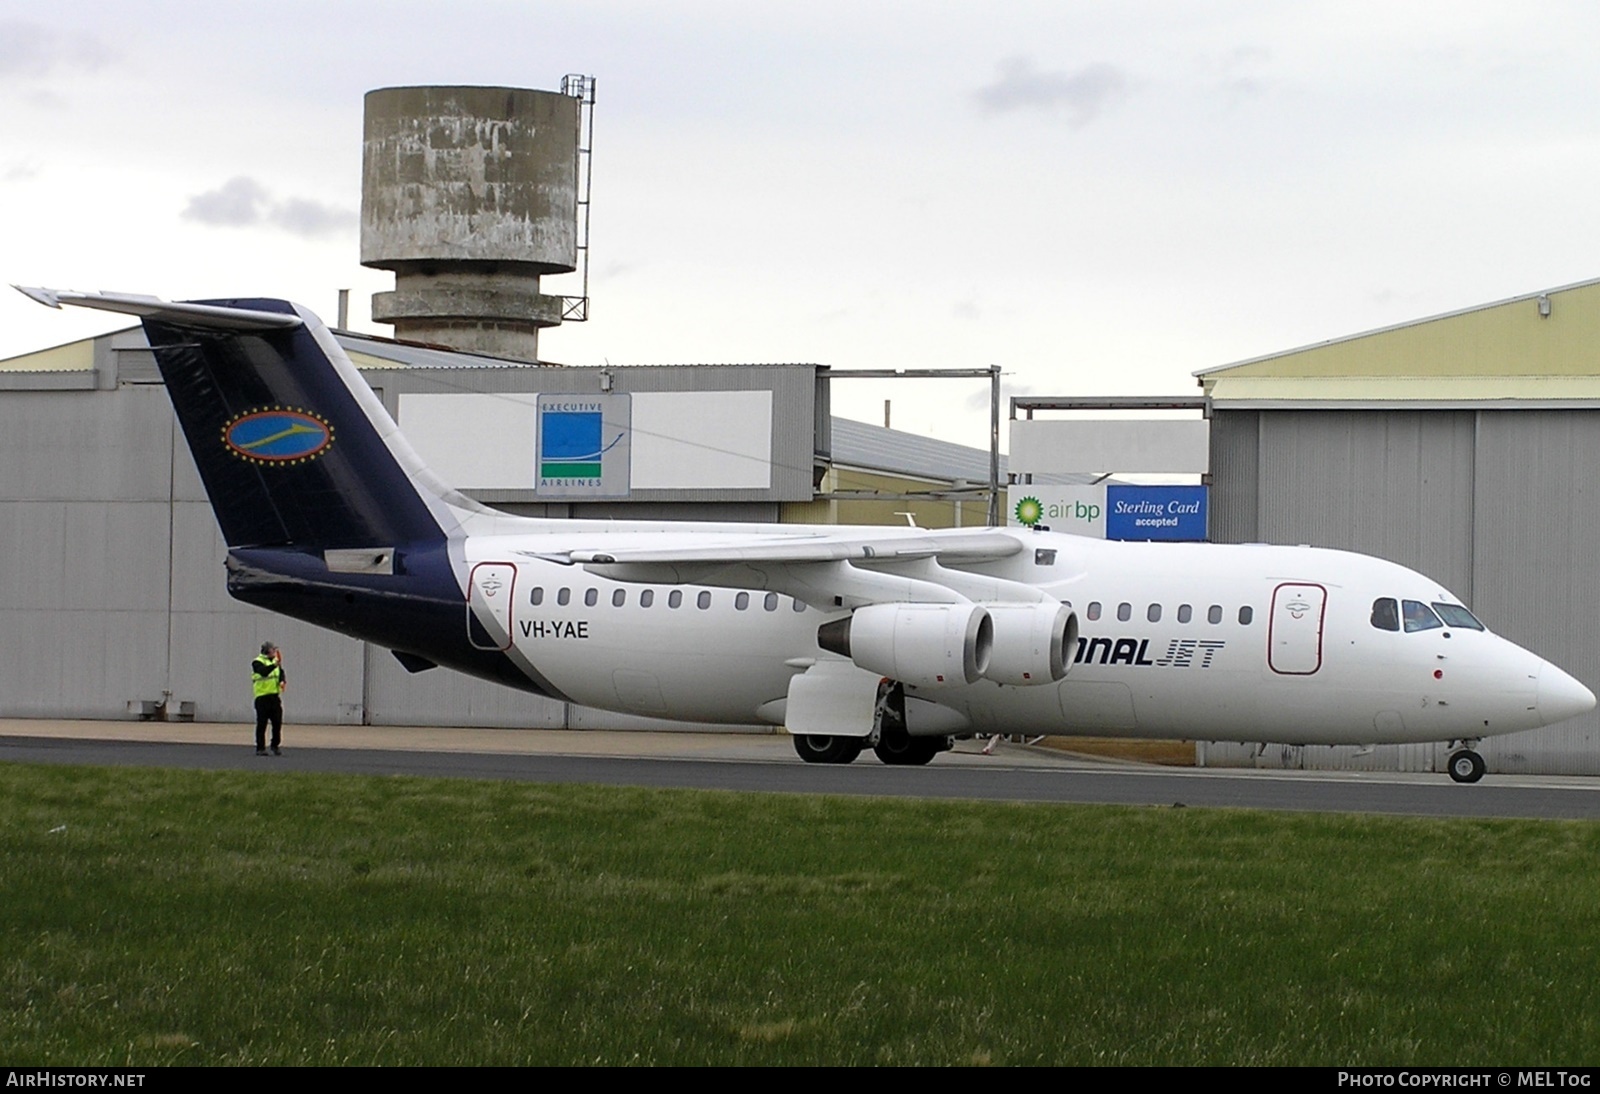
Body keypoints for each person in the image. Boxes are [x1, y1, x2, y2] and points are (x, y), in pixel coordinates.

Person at [251, 642, 286, 756]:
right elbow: (263, 672)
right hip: (262, 697)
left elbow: (281, 673)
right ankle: (260, 747)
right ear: (266, 651)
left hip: (274, 697)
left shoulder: (276, 662)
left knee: (277, 723)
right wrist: (274, 665)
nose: (274, 652)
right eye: (272, 650)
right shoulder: (257, 662)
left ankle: (275, 745)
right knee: (262, 723)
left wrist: (282, 681)